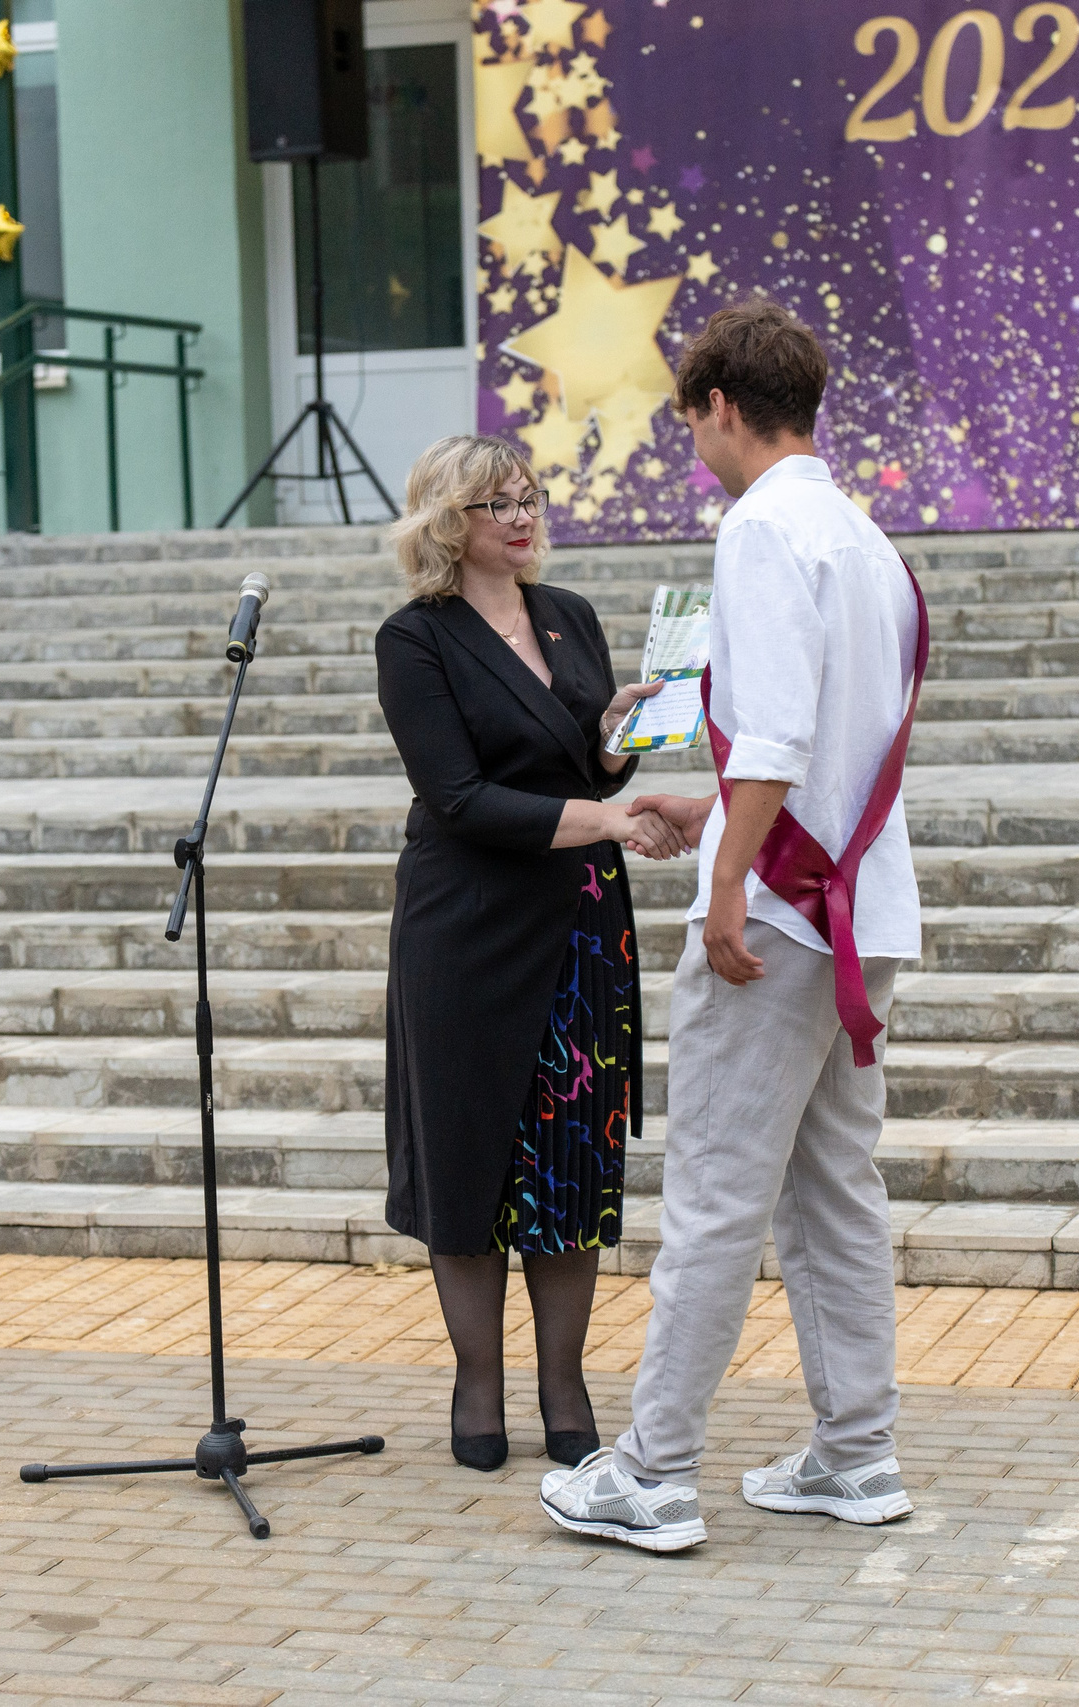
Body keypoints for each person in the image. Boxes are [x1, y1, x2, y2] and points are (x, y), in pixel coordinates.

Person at [541, 299, 928, 1552]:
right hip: (860, 908)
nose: (693, 445)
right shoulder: (865, 538)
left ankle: (651, 1470)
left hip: (775, 916)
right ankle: (855, 1454)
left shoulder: (761, 528)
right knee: (832, 1191)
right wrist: (716, 813)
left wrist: (720, 886)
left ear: (716, 405)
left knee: (714, 1191)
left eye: (691, 421)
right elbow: (826, 751)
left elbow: (772, 737)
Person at [376, 435, 685, 1472]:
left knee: (571, 1155)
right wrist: (607, 817)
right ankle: (477, 1381)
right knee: (468, 1151)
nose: (522, 517)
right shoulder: (414, 639)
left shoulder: (572, 616)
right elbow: (458, 797)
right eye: (497, 503)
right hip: (465, 926)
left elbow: (580, 768)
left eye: (529, 498)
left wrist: (613, 742)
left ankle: (564, 1381)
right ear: (448, 521)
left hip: (577, 922)